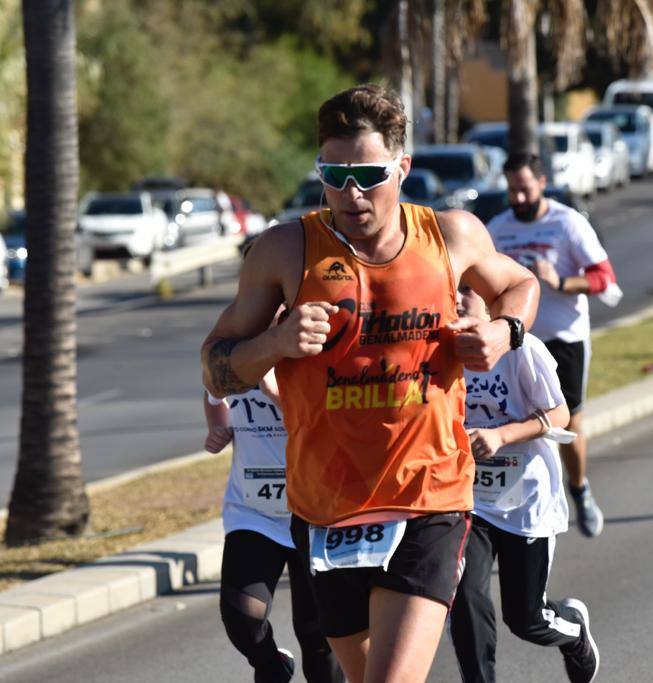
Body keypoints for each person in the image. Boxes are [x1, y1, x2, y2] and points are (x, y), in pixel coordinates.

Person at [201, 84, 577, 683]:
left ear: (402, 167)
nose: (351, 193)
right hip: (327, 508)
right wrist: (274, 343)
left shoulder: (449, 236)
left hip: (430, 497)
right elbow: (215, 364)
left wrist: (505, 332)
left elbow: (520, 286)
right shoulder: (283, 251)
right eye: (335, 172)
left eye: (369, 174)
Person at [449, 286, 599, 683]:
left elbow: (561, 413)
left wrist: (502, 435)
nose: (457, 298)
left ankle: (574, 634)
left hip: (525, 499)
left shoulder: (522, 349)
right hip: (470, 500)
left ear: (488, 301)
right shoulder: (440, 353)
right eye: (451, 289)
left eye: (467, 290)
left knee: (526, 619)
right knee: (465, 598)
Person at [486, 153, 618, 538]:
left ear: (542, 183)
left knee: (568, 421)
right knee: (514, 423)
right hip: (518, 340)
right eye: (512, 190)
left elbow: (603, 279)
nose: (519, 198)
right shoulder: (498, 228)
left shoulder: (568, 223)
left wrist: (558, 281)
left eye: (525, 189)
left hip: (564, 338)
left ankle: (579, 489)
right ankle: (512, 513)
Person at [204, 367, 344, 683]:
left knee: (319, 636)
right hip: (254, 511)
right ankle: (271, 665)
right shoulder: (240, 354)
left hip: (318, 511)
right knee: (242, 618)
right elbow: (213, 393)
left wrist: (275, 392)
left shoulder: (320, 354)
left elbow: (328, 424)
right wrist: (218, 425)